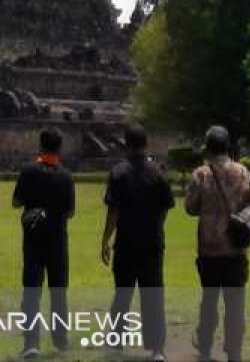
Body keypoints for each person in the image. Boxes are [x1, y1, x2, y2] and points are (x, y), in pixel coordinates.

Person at [100, 125, 174, 361]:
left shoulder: (119, 172)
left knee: (122, 294)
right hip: (152, 242)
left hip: (126, 243)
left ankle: (116, 343)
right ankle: (157, 348)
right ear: (146, 143)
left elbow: (113, 212)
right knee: (153, 294)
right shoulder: (158, 172)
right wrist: (156, 226)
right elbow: (166, 207)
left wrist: (105, 240)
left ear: (126, 144)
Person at [185, 125, 250, 362]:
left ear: (208, 148)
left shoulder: (201, 175)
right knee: (235, 305)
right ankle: (234, 352)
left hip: (209, 250)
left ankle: (205, 348)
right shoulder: (243, 172)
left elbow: (190, 208)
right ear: (227, 146)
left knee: (209, 302)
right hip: (236, 250)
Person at [13, 128, 75, 359]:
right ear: (60, 148)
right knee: (58, 290)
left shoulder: (28, 171)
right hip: (58, 239)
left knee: (31, 290)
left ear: (40, 145)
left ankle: (31, 343)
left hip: (33, 238)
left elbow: (16, 201)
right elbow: (70, 212)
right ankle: (60, 341)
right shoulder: (66, 176)